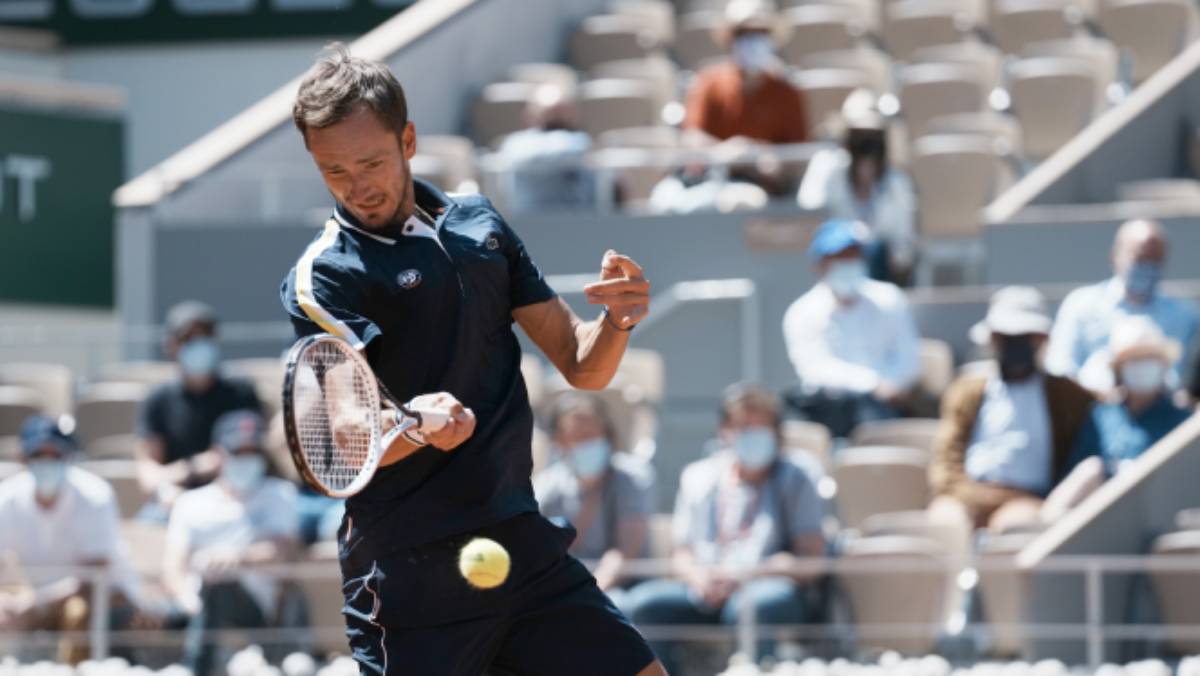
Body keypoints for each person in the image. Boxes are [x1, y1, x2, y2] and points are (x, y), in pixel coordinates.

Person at [279, 45, 663, 676]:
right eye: (335, 173)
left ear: (408, 140)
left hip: (520, 544)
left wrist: (618, 318)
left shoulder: (479, 225)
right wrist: (412, 425)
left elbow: (581, 363)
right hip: (409, 574)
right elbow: (347, 444)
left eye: (370, 162)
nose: (358, 187)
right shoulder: (323, 278)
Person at [627, 384, 825, 674]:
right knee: (643, 605)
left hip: (764, 586)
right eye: (743, 426)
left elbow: (810, 559)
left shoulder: (797, 477)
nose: (752, 435)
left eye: (761, 427)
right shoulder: (699, 475)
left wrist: (745, 575)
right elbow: (682, 553)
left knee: (750, 608)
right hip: (704, 588)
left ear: (777, 433)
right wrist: (700, 578)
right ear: (724, 430)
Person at [929, 287, 1095, 533]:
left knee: (1015, 526)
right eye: (1006, 336)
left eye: (1025, 336)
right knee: (946, 523)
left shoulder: (1069, 396)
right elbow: (946, 456)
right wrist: (968, 496)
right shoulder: (966, 389)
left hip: (1026, 499)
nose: (1015, 346)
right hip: (967, 494)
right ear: (993, 340)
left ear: (1040, 339)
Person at [163, 410, 300, 676]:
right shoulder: (191, 503)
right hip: (195, 608)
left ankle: (196, 668)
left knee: (220, 580)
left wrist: (235, 558)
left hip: (258, 615)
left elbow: (283, 549)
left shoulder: (279, 494)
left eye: (252, 452)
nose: (246, 459)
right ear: (218, 454)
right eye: (238, 451)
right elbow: (173, 568)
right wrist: (188, 600)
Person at [0, 416, 140, 664]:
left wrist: (33, 602)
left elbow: (93, 576)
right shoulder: (7, 498)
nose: (47, 463)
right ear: (24, 458)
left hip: (106, 601)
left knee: (78, 611)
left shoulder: (94, 496)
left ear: (68, 458)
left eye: (55, 456)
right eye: (38, 455)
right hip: (38, 598)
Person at [1042, 317, 1195, 521]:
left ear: (1163, 365)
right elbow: (1080, 469)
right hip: (1104, 509)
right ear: (1120, 368)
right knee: (1090, 470)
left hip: (1163, 508)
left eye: (1148, 358)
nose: (1142, 367)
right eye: (1134, 360)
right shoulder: (1102, 414)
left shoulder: (1182, 418)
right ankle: (1044, 535)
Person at [782, 218, 921, 438]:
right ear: (819, 265)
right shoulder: (801, 312)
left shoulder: (890, 298)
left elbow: (908, 357)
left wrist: (893, 387)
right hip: (829, 412)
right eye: (839, 257)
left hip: (888, 408)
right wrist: (873, 384)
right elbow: (815, 369)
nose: (847, 263)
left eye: (852, 255)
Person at [136, 300, 262, 520]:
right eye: (189, 338)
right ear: (171, 345)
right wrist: (191, 470)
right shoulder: (158, 399)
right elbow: (148, 474)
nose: (199, 344)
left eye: (206, 337)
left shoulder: (241, 392)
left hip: (236, 497)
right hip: (179, 498)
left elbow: (255, 454)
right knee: (151, 519)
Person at [1046, 218, 1198, 393]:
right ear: (1115, 256)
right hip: (1089, 412)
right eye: (1140, 258)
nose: (1148, 267)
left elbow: (1184, 379)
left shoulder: (1185, 314)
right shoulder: (1081, 305)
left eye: (1155, 260)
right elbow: (1061, 368)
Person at [533, 393, 656, 609]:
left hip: (624, 587)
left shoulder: (632, 477)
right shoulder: (546, 486)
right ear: (560, 442)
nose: (588, 441)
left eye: (594, 433)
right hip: (565, 587)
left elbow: (625, 551)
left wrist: (590, 591)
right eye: (578, 436)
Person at [683, 0, 809, 195]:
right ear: (731, 39)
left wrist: (768, 159)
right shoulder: (708, 82)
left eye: (760, 33)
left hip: (769, 192)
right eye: (744, 33)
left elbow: (799, 154)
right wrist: (727, 151)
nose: (753, 40)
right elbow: (691, 138)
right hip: (714, 185)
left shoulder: (787, 92)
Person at [797, 91, 917, 284]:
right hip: (831, 273)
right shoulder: (826, 170)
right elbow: (809, 219)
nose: (867, 149)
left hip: (882, 279)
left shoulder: (897, 183)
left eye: (874, 139)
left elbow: (903, 248)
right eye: (859, 138)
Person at [495, 84, 597, 212]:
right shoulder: (517, 142)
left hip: (578, 219)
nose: (557, 117)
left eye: (563, 111)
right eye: (551, 112)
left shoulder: (582, 140)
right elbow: (524, 159)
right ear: (531, 114)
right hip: (528, 221)